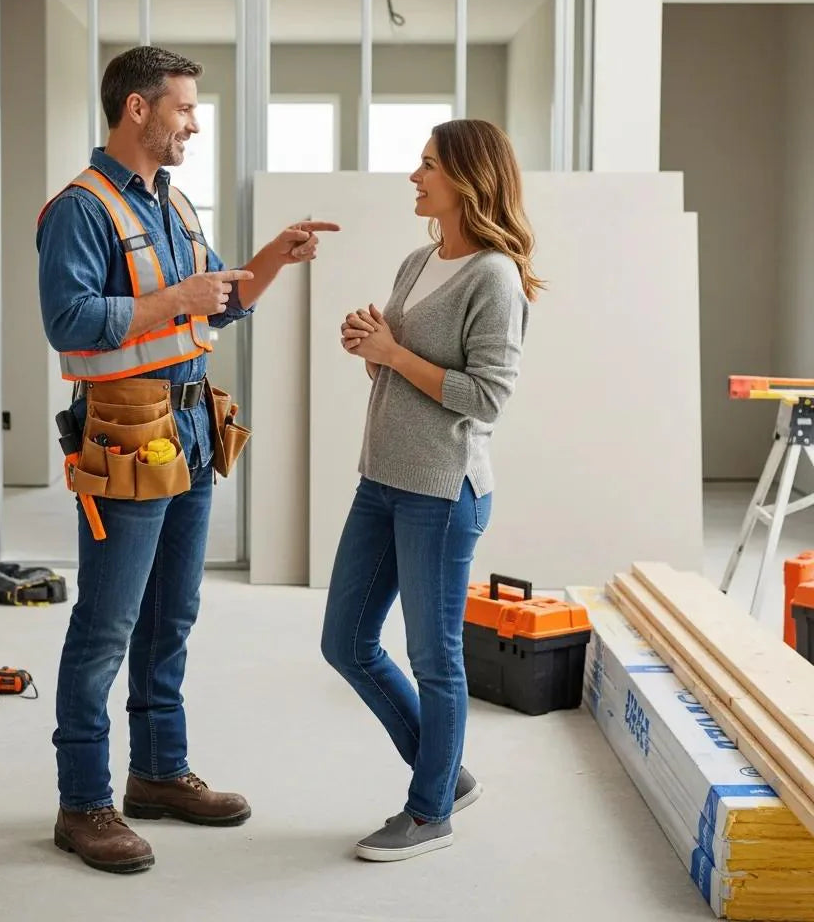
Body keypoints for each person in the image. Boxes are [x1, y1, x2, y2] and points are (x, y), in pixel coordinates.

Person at [37, 46, 338, 874]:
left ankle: (159, 773)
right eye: (184, 109)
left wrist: (271, 258)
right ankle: (82, 803)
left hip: (192, 429)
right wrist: (176, 298)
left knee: (172, 615)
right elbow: (69, 320)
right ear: (137, 109)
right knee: (106, 626)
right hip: (125, 432)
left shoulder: (173, 203)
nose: (194, 125)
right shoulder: (82, 209)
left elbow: (217, 304)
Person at [321, 119, 542, 862]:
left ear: (468, 179)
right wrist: (371, 348)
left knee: (434, 659)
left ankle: (429, 812)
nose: (415, 178)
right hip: (381, 478)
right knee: (345, 642)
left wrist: (393, 353)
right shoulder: (418, 261)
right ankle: (446, 773)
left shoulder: (495, 277)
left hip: (443, 492)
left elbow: (487, 398)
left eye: (428, 166)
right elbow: (393, 368)